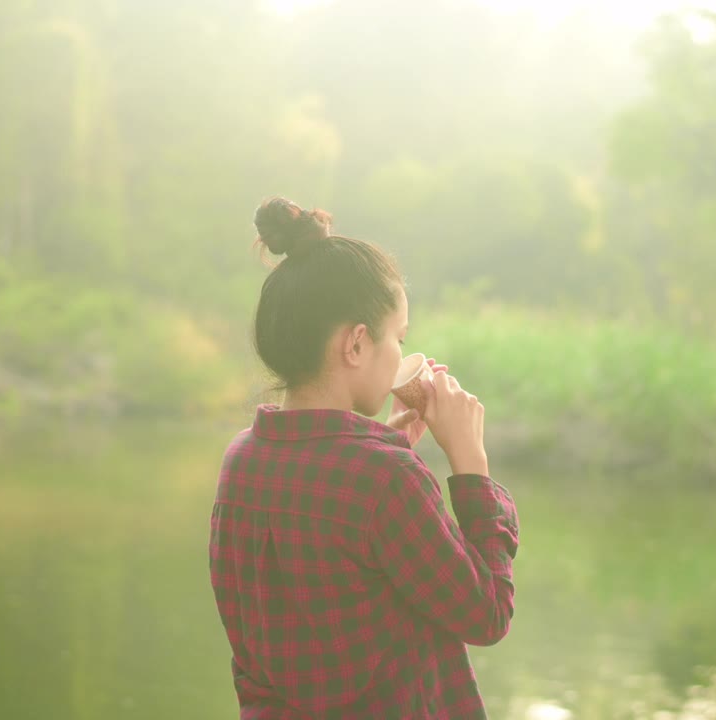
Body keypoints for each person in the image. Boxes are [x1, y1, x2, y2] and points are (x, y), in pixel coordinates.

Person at [208, 197, 519, 719]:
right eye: (398, 337)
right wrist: (470, 465)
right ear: (356, 344)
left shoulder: (242, 456)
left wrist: (383, 442)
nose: (401, 352)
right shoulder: (384, 479)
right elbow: (485, 614)